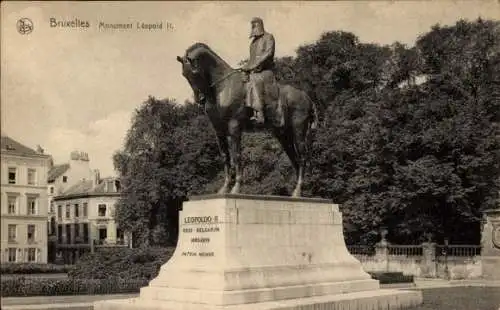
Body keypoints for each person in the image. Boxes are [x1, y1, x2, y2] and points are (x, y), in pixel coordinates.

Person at [241, 17, 277, 125]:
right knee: (241, 79)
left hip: (266, 72)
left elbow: (268, 54)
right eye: (252, 26)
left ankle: (259, 112)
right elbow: (251, 60)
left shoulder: (269, 37)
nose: (253, 28)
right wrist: (244, 67)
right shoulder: (253, 43)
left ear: (260, 25)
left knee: (253, 80)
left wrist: (253, 66)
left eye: (255, 25)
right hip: (255, 71)